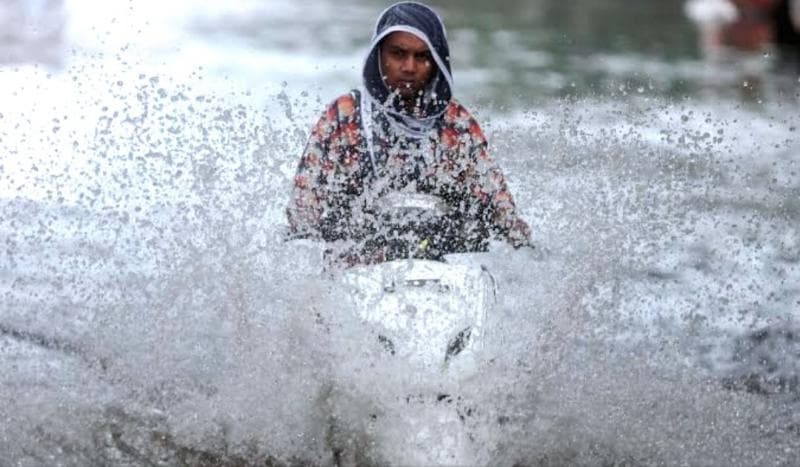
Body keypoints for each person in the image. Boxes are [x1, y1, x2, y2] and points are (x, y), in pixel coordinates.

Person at [286, 1, 531, 266]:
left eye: (422, 56)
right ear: (378, 54)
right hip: (354, 270)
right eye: (398, 54)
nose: (409, 67)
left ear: (437, 62)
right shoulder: (344, 117)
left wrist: (526, 252)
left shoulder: (457, 125)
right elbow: (304, 206)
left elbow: (499, 206)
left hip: (441, 273)